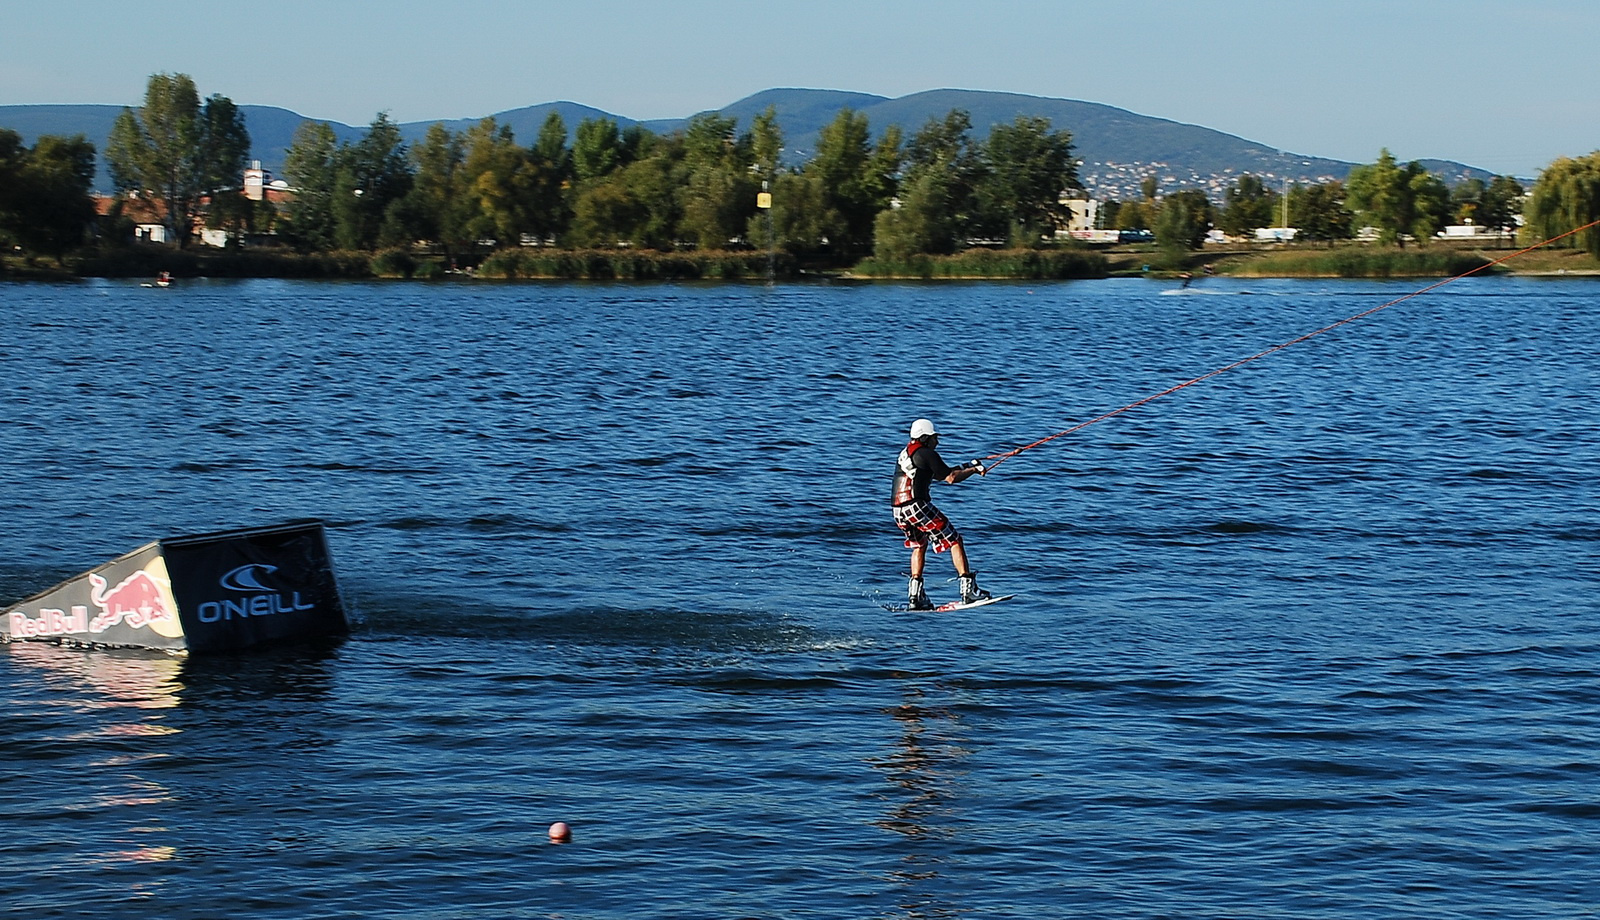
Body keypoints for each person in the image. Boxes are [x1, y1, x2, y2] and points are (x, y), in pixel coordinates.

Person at [891, 418, 991, 609]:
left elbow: (939, 473)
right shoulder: (926, 453)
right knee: (954, 540)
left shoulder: (908, 453)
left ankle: (915, 596)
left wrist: (968, 466)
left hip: (898, 510)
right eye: (935, 438)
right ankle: (968, 591)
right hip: (916, 506)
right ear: (926, 438)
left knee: (919, 544)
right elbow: (951, 479)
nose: (937, 442)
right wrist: (975, 471)